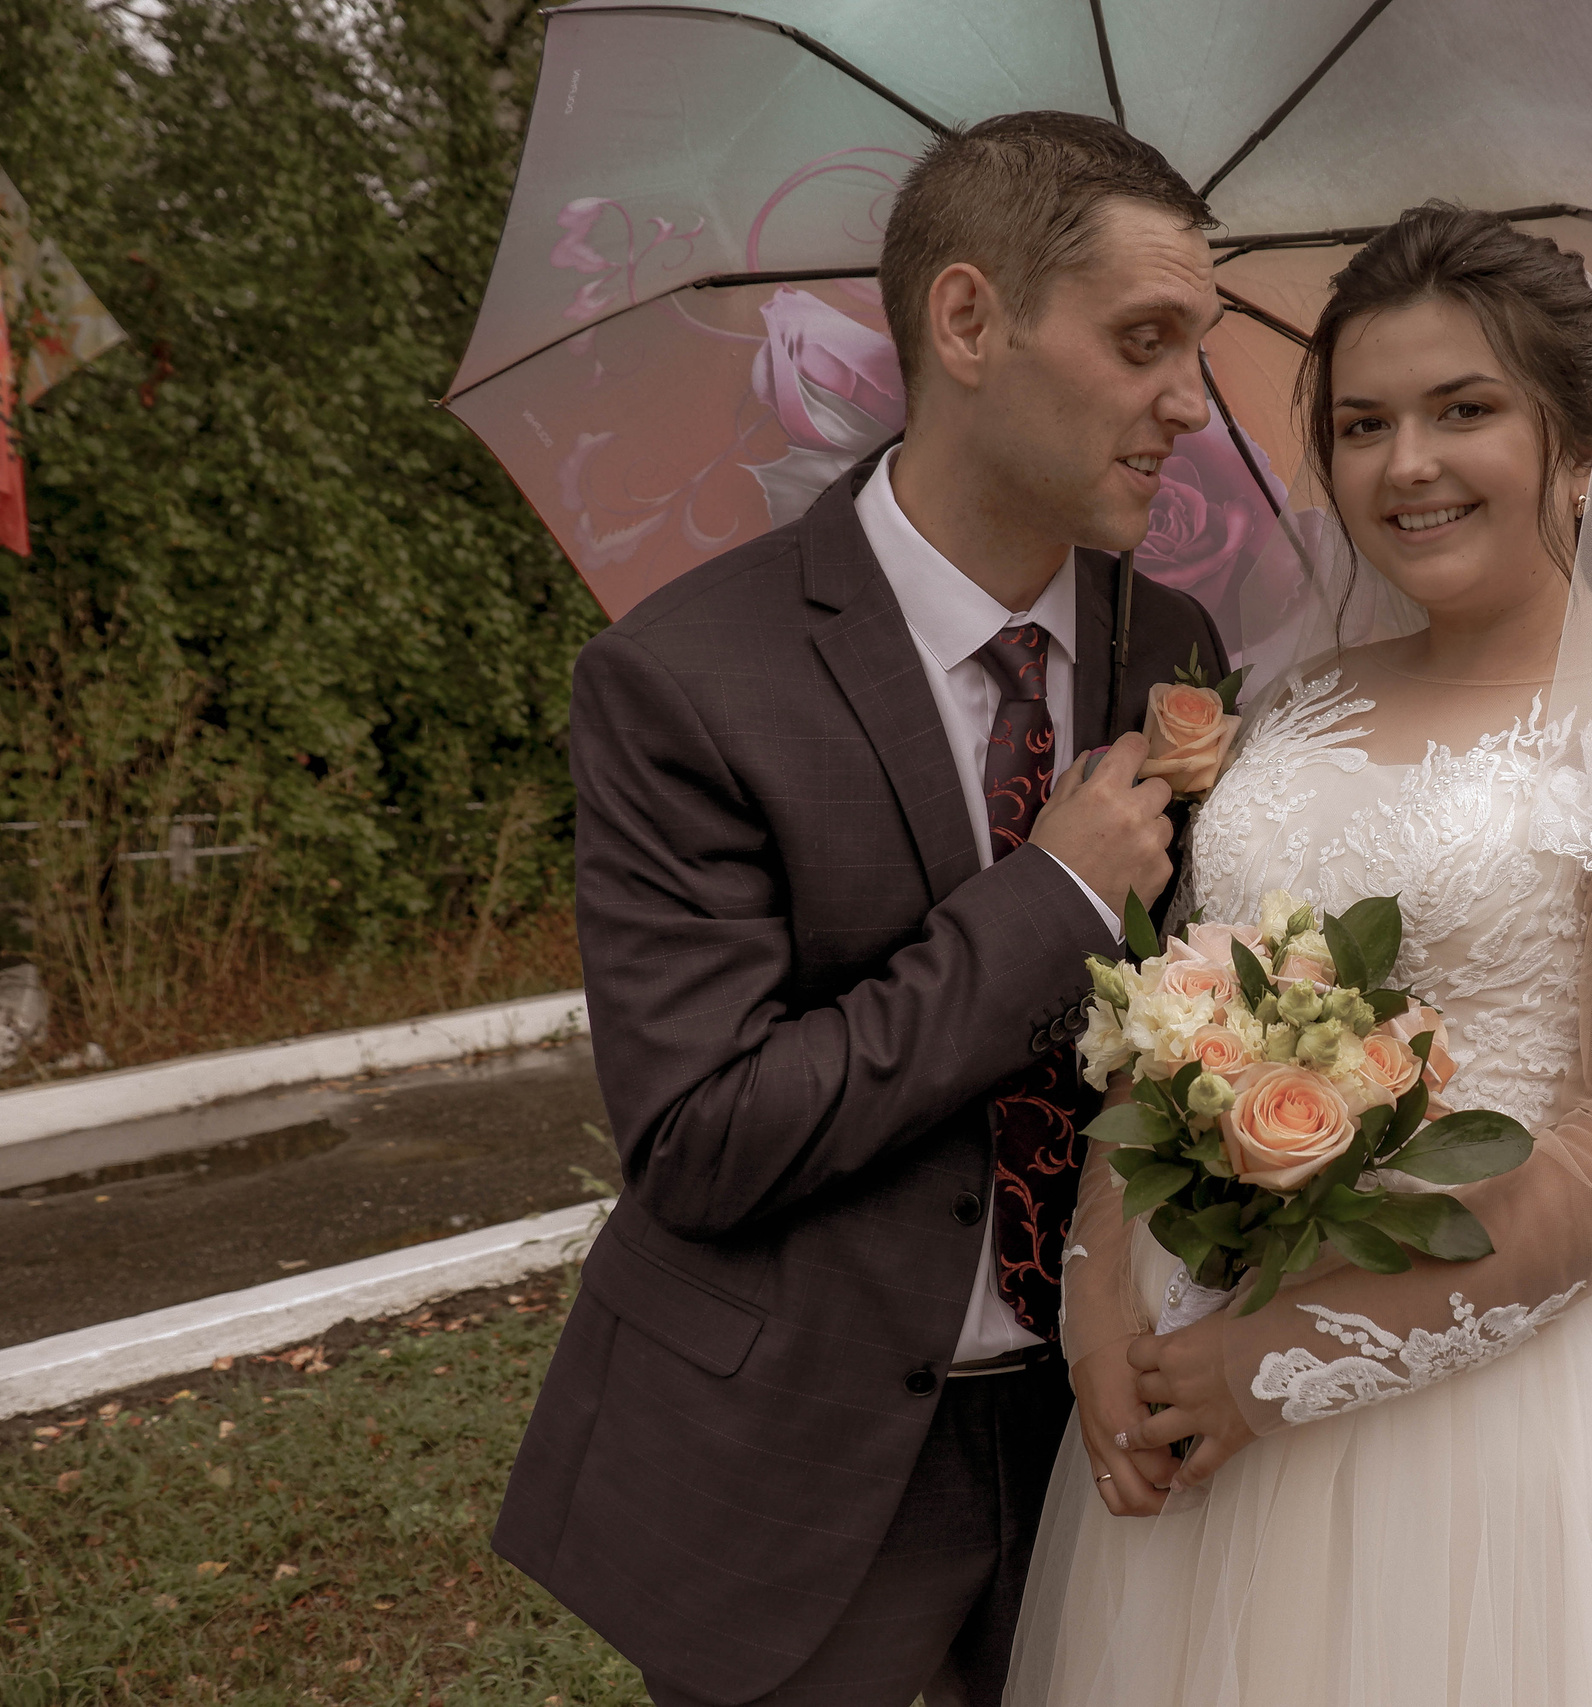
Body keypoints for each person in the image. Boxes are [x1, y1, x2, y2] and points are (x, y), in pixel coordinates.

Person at [1007, 205, 1592, 1706]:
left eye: (1462, 410)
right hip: (1188, 1404)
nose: (1405, 463)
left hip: (1511, 1433)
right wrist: (1099, 1302)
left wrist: (1289, 1360)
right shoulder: (1286, 711)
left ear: (1575, 444)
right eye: (1363, 424)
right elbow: (1176, 1015)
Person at [491, 112, 1228, 1707]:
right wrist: (1048, 901)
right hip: (809, 1467)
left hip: (1117, 1433)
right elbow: (702, 1138)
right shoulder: (688, 682)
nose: (1189, 401)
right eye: (1145, 341)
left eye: (1200, 348)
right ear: (968, 322)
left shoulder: (1175, 645)